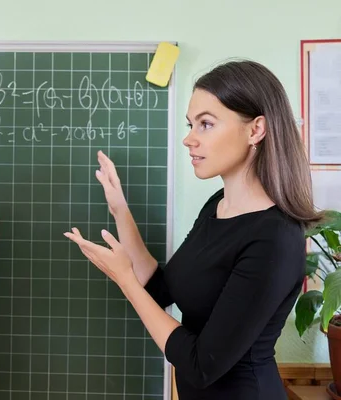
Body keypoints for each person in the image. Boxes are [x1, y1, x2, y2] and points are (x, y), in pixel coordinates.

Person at [64, 60, 323, 399]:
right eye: (191, 124)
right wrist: (119, 208)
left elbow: (202, 364)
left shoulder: (275, 238)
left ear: (255, 130)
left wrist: (125, 280)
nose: (188, 139)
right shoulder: (218, 205)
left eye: (205, 124)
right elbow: (160, 290)